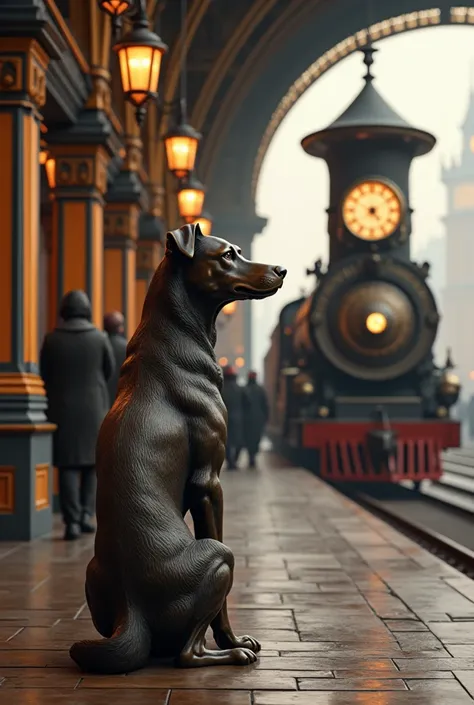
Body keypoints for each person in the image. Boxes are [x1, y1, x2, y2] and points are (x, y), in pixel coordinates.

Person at [40, 290, 115, 541]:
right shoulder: (100, 338)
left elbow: (44, 374)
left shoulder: (52, 340)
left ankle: (71, 521)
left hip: (61, 410)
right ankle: (85, 515)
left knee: (68, 466)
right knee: (91, 465)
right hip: (94, 409)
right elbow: (108, 370)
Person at [243, 370, 269, 468]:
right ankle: (253, 456)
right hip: (258, 419)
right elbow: (265, 405)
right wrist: (266, 418)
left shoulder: (244, 389)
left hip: (247, 419)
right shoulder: (260, 390)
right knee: (256, 439)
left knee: (248, 438)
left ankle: (251, 456)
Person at [221, 365, 245, 470]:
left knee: (226, 443)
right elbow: (247, 404)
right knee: (238, 442)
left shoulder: (219, 390)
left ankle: (230, 462)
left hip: (224, 419)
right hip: (238, 420)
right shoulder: (240, 389)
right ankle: (234, 461)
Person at [104, 311, 128, 406]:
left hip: (104, 399)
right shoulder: (127, 347)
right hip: (121, 399)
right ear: (121, 328)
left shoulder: (101, 345)